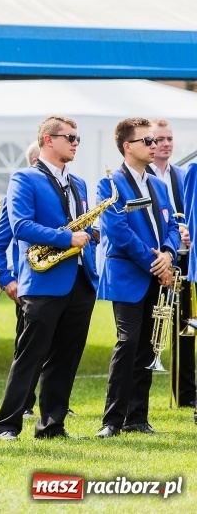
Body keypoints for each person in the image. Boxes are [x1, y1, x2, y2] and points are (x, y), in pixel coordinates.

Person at [0, 115, 98, 441]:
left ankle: (52, 425)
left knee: (67, 358)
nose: (76, 143)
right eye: (70, 137)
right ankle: (7, 426)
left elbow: (79, 225)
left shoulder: (78, 183)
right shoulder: (24, 178)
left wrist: (92, 232)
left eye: (78, 138)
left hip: (80, 279)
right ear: (48, 140)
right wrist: (67, 238)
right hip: (43, 281)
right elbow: (20, 226)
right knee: (30, 356)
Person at [95, 118, 180, 438]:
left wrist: (168, 253)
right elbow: (118, 232)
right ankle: (112, 420)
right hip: (129, 276)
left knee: (149, 346)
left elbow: (172, 226)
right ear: (127, 146)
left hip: (157, 274)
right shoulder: (110, 184)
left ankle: (137, 417)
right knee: (128, 342)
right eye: (147, 141)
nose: (154, 145)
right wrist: (155, 262)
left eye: (155, 140)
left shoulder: (158, 184)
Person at [147, 119, 194, 408]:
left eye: (169, 139)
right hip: (153, 261)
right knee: (147, 332)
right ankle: (137, 400)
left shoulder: (183, 174)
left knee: (185, 328)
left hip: (183, 262)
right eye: (158, 139)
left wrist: (189, 232)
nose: (165, 144)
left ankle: (186, 395)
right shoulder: (142, 175)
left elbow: (191, 214)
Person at [0, 143, 39, 419]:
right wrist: (7, 279)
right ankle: (25, 404)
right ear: (34, 161)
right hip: (27, 285)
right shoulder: (19, 193)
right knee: (27, 349)